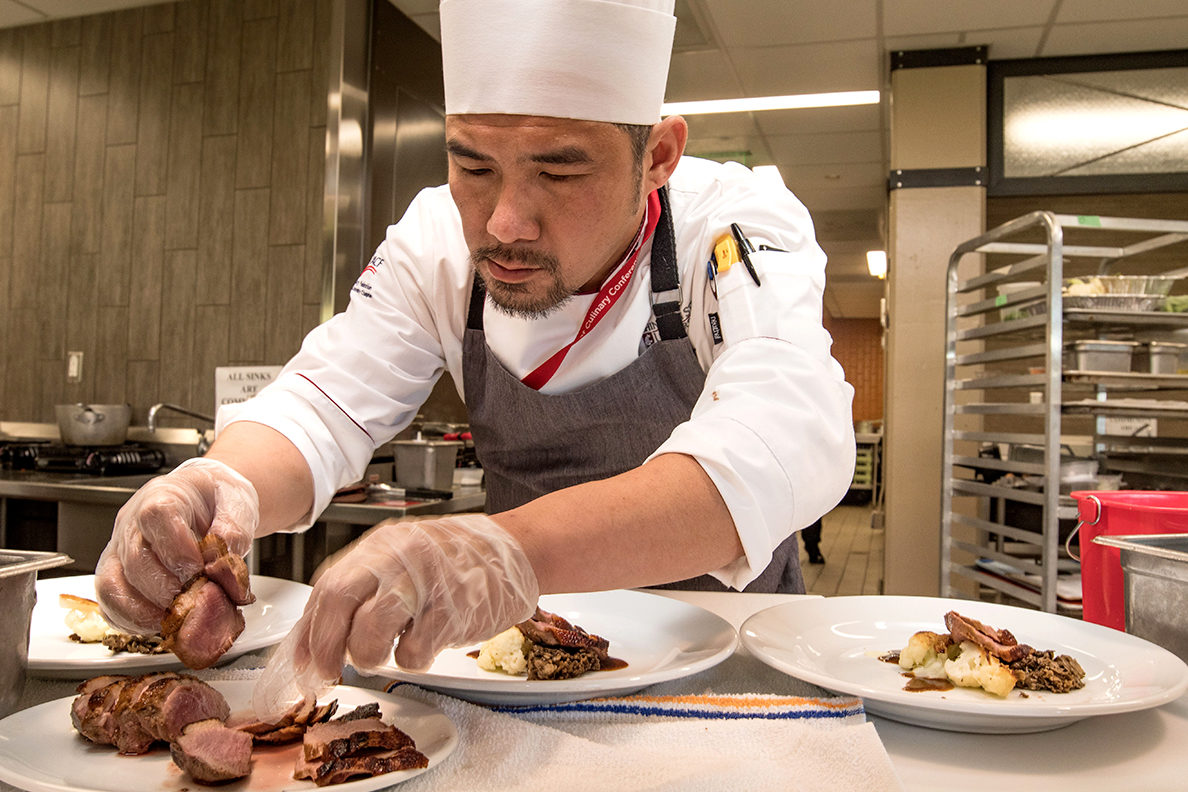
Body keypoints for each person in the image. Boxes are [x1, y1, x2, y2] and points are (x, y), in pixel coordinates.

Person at [93, 0, 855, 712]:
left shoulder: (731, 225)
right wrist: (220, 486)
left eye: (559, 172)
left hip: (729, 674)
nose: (505, 222)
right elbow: (323, 406)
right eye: (475, 167)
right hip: (513, 671)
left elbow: (783, 437)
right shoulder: (435, 241)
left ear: (657, 155)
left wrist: (507, 549)